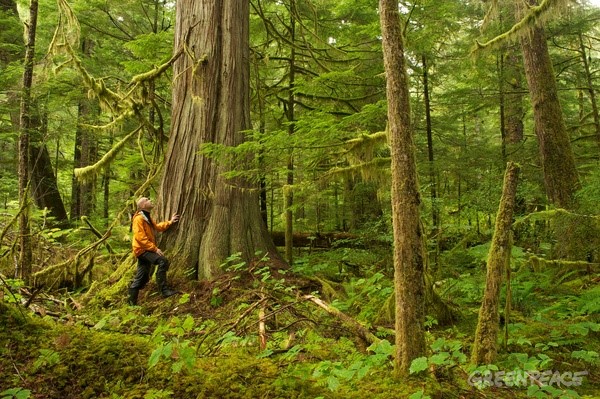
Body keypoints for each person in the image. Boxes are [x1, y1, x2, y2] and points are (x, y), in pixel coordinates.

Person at [128, 197, 180, 305]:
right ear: (142, 205)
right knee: (162, 261)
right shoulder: (138, 219)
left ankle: (131, 303)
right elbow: (140, 237)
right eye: (147, 200)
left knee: (141, 277)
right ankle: (164, 290)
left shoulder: (146, 217)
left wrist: (170, 222)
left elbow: (157, 227)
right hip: (142, 250)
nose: (150, 200)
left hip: (144, 249)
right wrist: (154, 248)